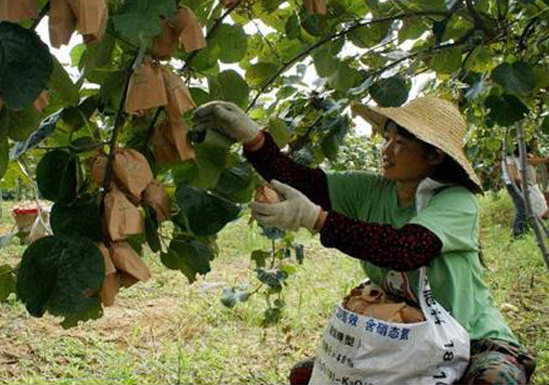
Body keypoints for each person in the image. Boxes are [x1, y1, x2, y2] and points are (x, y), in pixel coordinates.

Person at [193, 96, 535, 384]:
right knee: (306, 375)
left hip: (472, 338)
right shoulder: (371, 189)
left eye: (401, 142)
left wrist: (315, 219)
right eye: (387, 137)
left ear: (434, 156)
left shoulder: (456, 201)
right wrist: (252, 137)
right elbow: (300, 180)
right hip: (402, 338)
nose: (387, 150)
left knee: (496, 380)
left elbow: (405, 248)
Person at [511, 143, 549, 220]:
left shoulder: (526, 157)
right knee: (542, 209)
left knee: (542, 206)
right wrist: (545, 159)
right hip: (529, 187)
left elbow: (535, 161)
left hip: (533, 186)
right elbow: (539, 161)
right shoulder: (521, 160)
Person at [502, 150, 529, 237]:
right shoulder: (508, 159)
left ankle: (523, 230)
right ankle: (517, 233)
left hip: (516, 185)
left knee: (523, 207)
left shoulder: (514, 158)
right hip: (513, 185)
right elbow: (513, 177)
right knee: (521, 207)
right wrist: (526, 181)